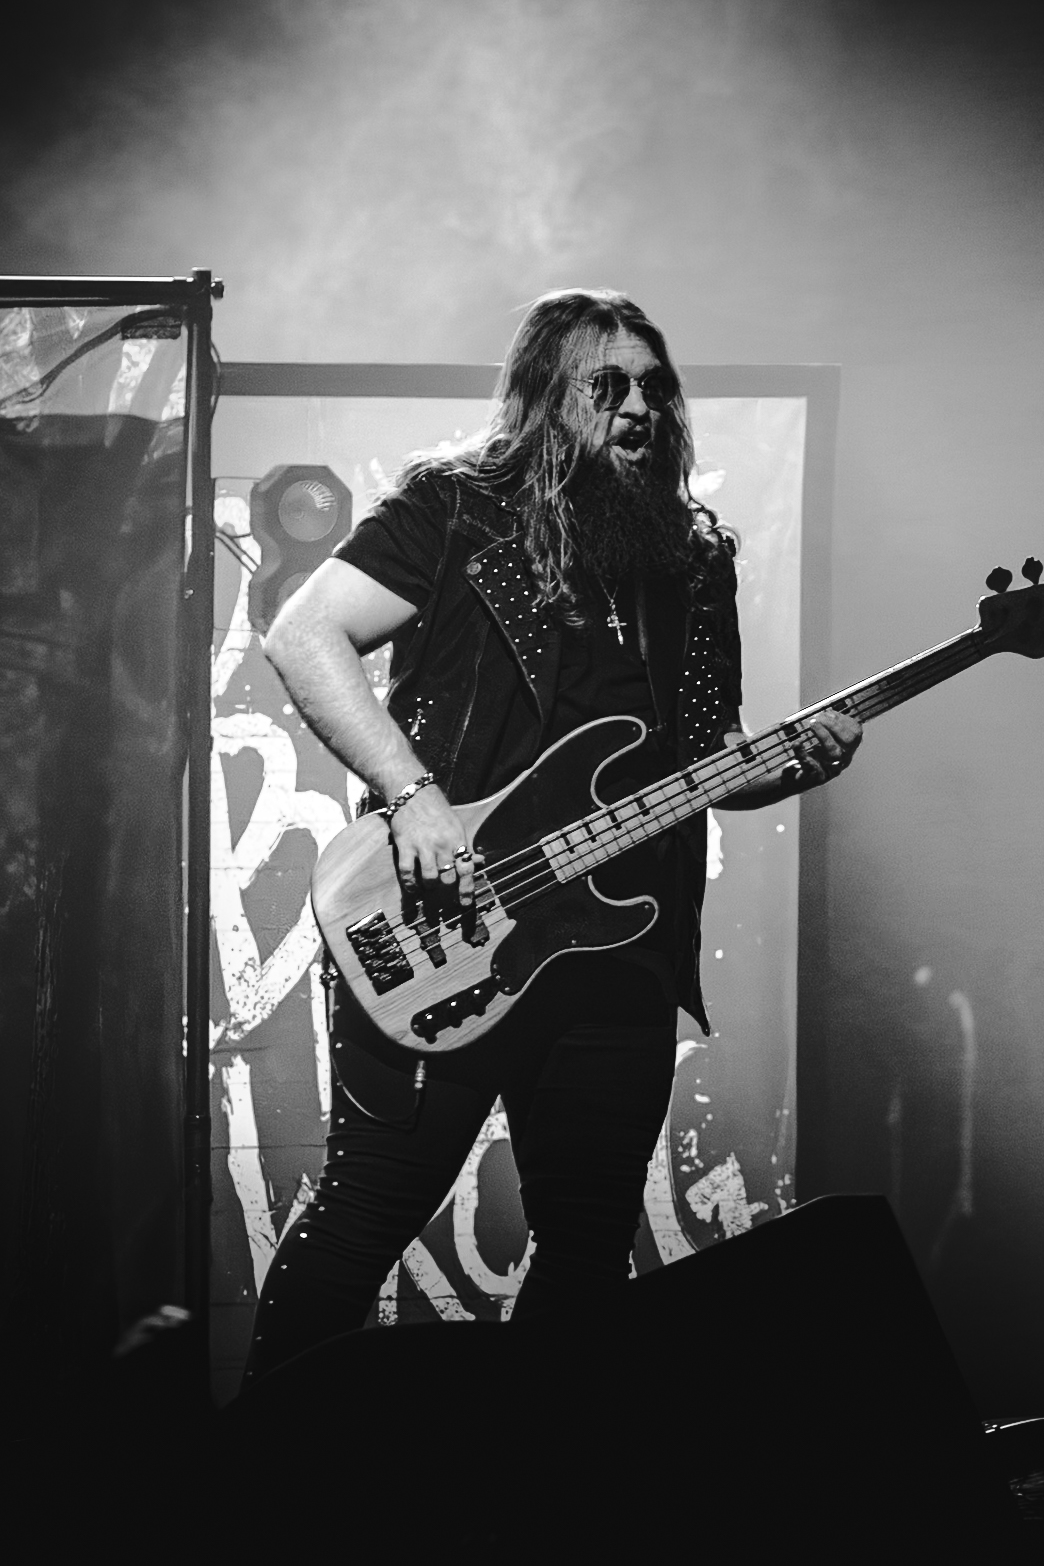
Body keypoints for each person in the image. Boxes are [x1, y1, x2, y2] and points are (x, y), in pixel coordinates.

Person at [241, 289, 860, 1383]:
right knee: (368, 1205)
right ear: (545, 396)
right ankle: (258, 1461)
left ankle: (537, 1473)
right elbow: (306, 634)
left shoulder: (693, 557)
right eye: (607, 386)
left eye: (655, 388)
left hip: (618, 945)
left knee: (587, 1247)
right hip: (447, 920)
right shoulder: (453, 511)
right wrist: (411, 795)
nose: (639, 409)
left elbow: (707, 758)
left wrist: (788, 766)